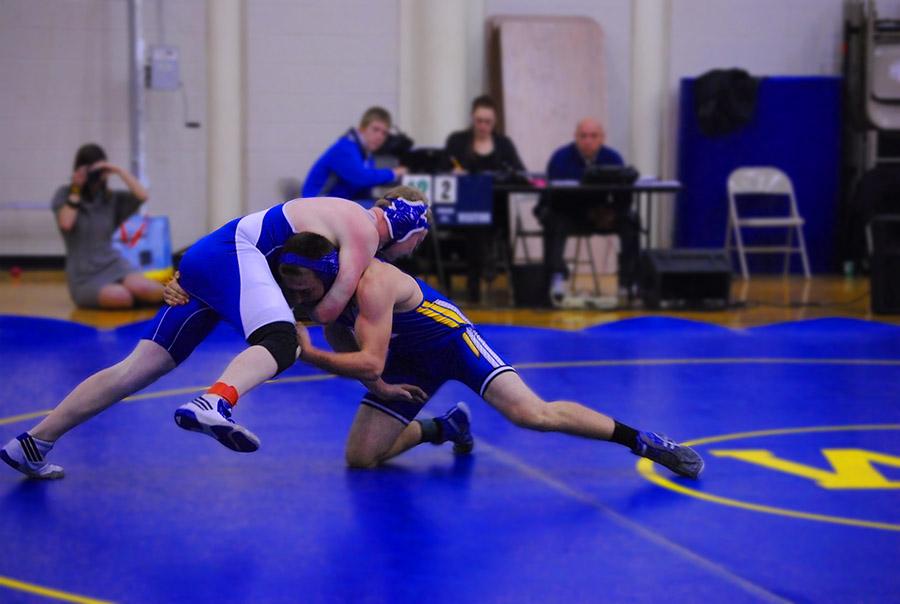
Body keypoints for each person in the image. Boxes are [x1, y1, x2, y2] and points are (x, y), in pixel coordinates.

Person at [0, 188, 430, 479]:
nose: (413, 253)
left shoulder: (337, 218)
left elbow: (322, 310)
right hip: (232, 257)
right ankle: (215, 401)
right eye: (419, 242)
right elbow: (333, 308)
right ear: (413, 228)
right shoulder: (361, 228)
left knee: (134, 370)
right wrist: (304, 320)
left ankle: (32, 444)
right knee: (282, 342)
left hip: (212, 259)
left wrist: (375, 382)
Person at [287, 232, 704, 478]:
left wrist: (309, 355)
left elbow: (368, 359)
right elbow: (356, 354)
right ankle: (447, 427)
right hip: (407, 359)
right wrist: (378, 385)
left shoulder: (371, 284)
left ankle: (644, 441)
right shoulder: (328, 301)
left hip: (453, 341)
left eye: (303, 286)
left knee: (533, 415)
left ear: (325, 272)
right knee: (361, 458)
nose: (300, 297)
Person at [535, 119, 639, 305]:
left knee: (631, 220)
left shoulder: (613, 158)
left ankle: (628, 282)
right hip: (568, 213)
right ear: (575, 137)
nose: (588, 141)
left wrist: (612, 211)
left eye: (593, 136)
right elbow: (554, 197)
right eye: (583, 136)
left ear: (602, 138)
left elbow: (625, 195)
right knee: (553, 220)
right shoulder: (561, 158)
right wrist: (588, 211)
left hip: (603, 216)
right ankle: (557, 278)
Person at [52, 143, 164, 309]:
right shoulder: (65, 194)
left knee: (149, 289)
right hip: (84, 276)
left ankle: (164, 300)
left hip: (113, 264)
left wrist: (118, 170)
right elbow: (66, 223)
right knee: (121, 297)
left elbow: (142, 195)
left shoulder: (110, 199)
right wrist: (76, 187)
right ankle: (137, 300)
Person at [444, 95, 526, 301]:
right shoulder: (458, 141)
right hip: (463, 209)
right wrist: (452, 174)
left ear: (494, 122)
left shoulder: (503, 144)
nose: (483, 126)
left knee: (485, 226)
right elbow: (442, 168)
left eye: (487, 122)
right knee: (475, 226)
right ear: (472, 118)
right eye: (479, 121)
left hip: (497, 208)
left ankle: (487, 274)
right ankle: (475, 281)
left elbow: (520, 172)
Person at [301, 106, 408, 200]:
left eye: (384, 133)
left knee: (383, 207)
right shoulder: (344, 148)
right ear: (362, 128)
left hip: (336, 203)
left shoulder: (366, 153)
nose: (380, 136)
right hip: (316, 205)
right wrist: (393, 173)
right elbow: (362, 178)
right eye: (375, 129)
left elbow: (363, 188)